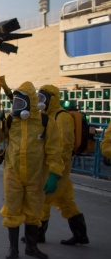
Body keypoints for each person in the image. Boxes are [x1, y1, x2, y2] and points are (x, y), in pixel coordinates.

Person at [0, 81, 64, 259]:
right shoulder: (12, 120)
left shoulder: (45, 122)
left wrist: (54, 173)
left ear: (31, 103)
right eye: (15, 103)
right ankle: (13, 249)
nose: (17, 108)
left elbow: (54, 150)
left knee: (34, 211)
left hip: (36, 175)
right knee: (12, 210)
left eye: (21, 103)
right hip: (13, 173)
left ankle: (31, 247)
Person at [33, 85, 89, 245]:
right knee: (65, 201)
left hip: (58, 167)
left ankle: (38, 234)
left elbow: (64, 146)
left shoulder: (62, 117)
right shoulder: (44, 115)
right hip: (53, 166)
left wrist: (55, 171)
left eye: (43, 98)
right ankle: (81, 235)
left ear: (53, 99)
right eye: (39, 98)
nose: (40, 101)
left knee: (43, 199)